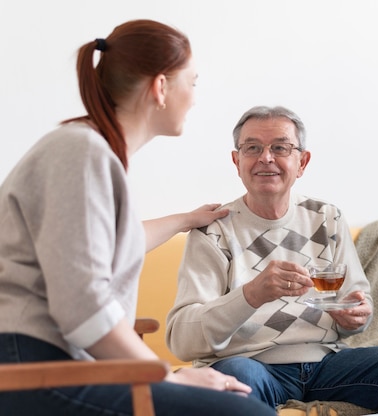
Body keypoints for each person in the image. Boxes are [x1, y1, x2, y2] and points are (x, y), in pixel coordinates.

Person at [0, 19, 276, 416]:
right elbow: (84, 308)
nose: (195, 98)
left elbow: (112, 244)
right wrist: (166, 375)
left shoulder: (92, 152)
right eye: (192, 82)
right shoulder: (81, 153)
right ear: (161, 87)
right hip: (33, 369)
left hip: (54, 365)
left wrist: (185, 219)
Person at [165, 105, 378, 412]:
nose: (265, 158)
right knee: (236, 376)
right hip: (253, 365)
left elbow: (357, 307)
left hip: (326, 364)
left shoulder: (326, 218)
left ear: (302, 162)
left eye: (280, 148)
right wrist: (251, 295)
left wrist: (355, 317)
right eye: (252, 148)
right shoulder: (213, 230)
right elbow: (181, 339)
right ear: (237, 161)